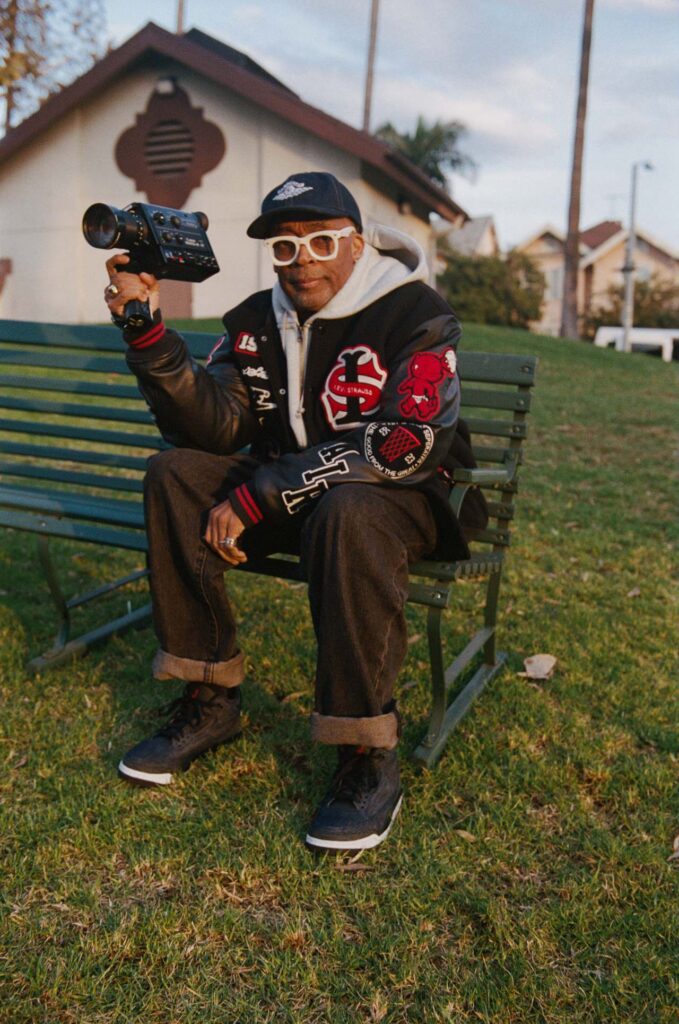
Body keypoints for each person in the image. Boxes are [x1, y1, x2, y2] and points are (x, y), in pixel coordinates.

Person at [103, 171, 485, 852]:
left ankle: (364, 751)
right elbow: (215, 428)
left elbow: (407, 442)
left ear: (358, 243)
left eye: (320, 240)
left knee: (348, 512)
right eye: (284, 247)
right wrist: (145, 331)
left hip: (401, 496)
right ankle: (208, 696)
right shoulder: (256, 320)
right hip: (297, 487)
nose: (301, 258)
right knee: (175, 475)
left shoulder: (415, 311)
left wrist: (259, 495)